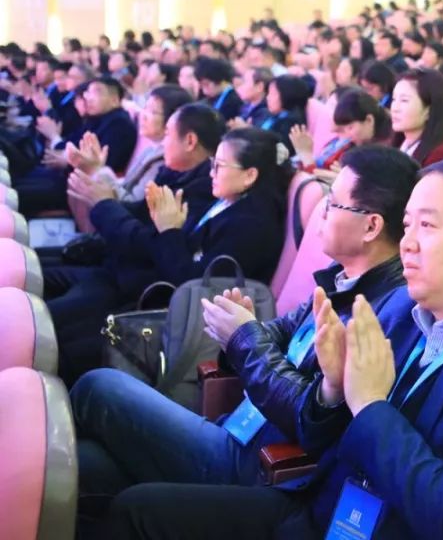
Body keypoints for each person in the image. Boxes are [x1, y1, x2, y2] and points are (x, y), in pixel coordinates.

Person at [100, 159, 443, 540]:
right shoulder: (401, 304)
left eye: (428, 228)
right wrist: (333, 389)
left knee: (125, 489)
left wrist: (368, 402)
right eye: (407, 225)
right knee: (118, 494)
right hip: (317, 506)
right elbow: (323, 429)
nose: (408, 244)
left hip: (378, 526)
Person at [70, 146, 416, 517]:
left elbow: (309, 415)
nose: (323, 213)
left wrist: (244, 337)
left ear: (371, 226)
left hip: (253, 460)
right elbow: (276, 333)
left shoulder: (379, 314)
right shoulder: (341, 280)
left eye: (333, 204)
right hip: (238, 426)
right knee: (86, 467)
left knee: (97, 385)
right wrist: (244, 332)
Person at [47, 124, 290, 385]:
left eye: (219, 166)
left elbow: (194, 285)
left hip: (174, 324)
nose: (211, 173)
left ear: (250, 175)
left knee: (65, 348)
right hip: (147, 293)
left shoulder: (252, 225)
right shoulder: (229, 200)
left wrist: (169, 231)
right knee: (58, 330)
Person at [16, 75, 139, 217]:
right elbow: (72, 143)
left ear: (114, 100)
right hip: (69, 178)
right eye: (88, 93)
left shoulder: (119, 124)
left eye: (97, 92)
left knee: (18, 192)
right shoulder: (99, 118)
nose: (89, 98)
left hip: (82, 189)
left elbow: (104, 166)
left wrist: (68, 161)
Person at [67, 85, 193, 208]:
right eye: (145, 108)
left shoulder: (164, 159)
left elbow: (132, 203)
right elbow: (125, 186)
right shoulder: (151, 149)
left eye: (153, 112)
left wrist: (99, 171)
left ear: (174, 120)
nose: (143, 116)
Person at [291, 88, 391, 175]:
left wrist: (306, 156)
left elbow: (320, 187)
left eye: (350, 127)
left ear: (369, 120)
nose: (347, 135)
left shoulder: (383, 154)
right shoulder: (349, 144)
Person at [391, 67, 443, 167]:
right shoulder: (400, 143)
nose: (395, 108)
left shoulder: (440, 159)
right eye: (394, 99)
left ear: (429, 110)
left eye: (404, 100)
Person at [259, 75, 310, 154]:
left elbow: (280, 153)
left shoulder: (292, 122)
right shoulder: (274, 116)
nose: (268, 97)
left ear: (286, 94)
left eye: (272, 93)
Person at [195, 57, 243, 121]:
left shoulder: (233, 102)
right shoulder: (209, 99)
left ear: (220, 81)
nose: (204, 91)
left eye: (206, 84)